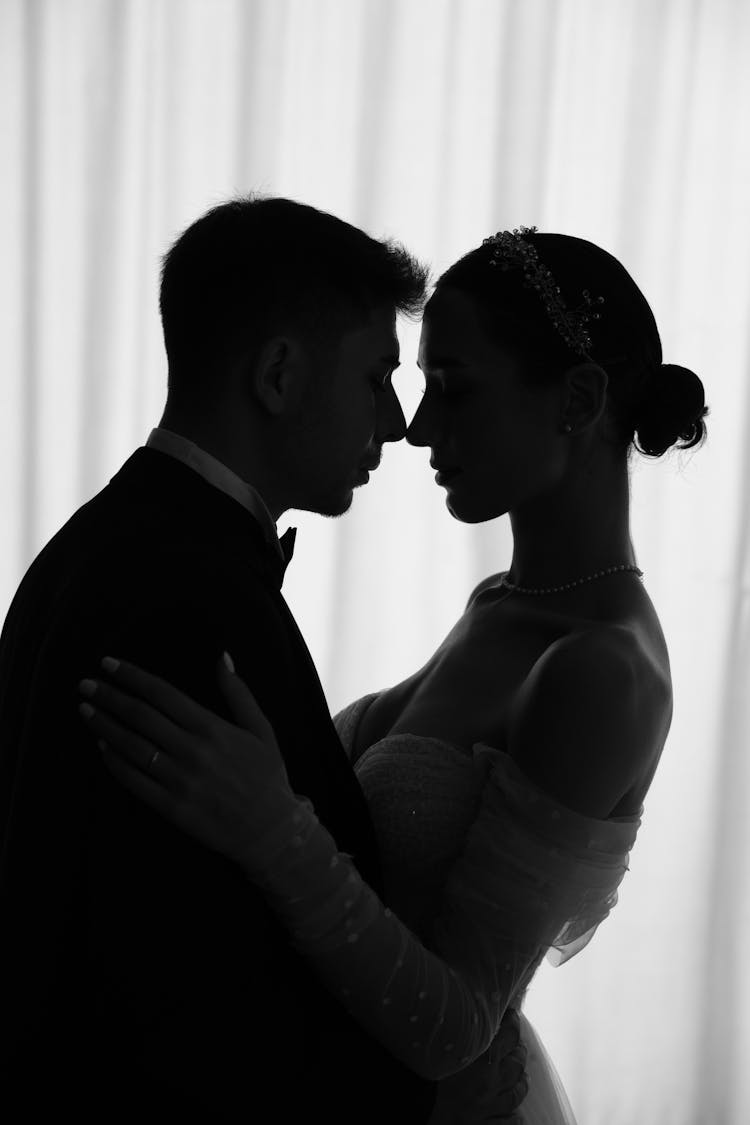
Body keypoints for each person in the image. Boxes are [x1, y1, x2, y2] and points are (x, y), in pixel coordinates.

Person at [74, 226, 710, 1122]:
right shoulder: (500, 603)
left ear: (576, 398)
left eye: (451, 388)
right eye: (408, 385)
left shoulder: (604, 671)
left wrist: (272, 829)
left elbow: (457, 1026)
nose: (415, 426)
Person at [0, 194, 527, 1124]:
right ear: (279, 374)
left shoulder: (104, 543)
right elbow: (185, 981)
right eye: (375, 375)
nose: (401, 422)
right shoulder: (187, 598)